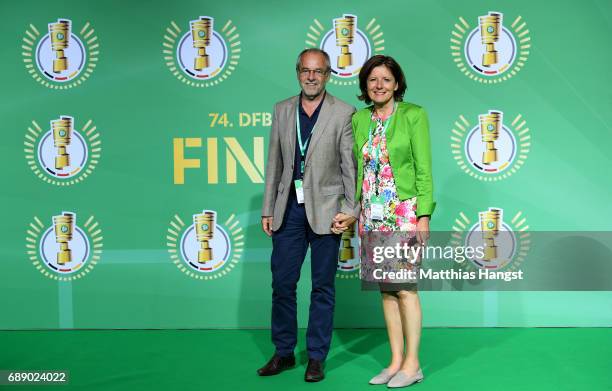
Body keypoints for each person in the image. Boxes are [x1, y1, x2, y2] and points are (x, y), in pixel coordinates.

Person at [259, 48, 358, 382]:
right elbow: (274, 162)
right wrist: (267, 208)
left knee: (322, 288)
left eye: (318, 71)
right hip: (288, 211)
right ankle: (284, 352)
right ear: (298, 72)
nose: (312, 76)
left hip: (329, 213)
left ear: (328, 74)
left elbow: (350, 167)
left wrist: (350, 210)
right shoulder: (282, 109)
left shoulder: (344, 112)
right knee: (283, 284)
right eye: (306, 70)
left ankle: (316, 357)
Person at [349, 55, 435, 388]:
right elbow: (358, 169)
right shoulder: (360, 120)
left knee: (405, 288)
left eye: (386, 79)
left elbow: (424, 167)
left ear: (396, 83)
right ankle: (395, 361)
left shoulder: (414, 115)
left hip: (404, 212)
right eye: (372, 80)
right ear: (364, 86)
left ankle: (413, 365)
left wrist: (424, 215)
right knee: (385, 290)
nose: (379, 85)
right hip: (371, 215)